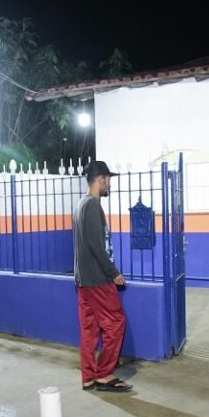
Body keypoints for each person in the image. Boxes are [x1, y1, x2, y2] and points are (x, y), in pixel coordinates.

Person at [73, 160, 132, 392]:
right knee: (116, 322)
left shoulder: (80, 205)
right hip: (97, 279)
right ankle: (104, 373)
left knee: (89, 329)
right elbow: (97, 246)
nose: (109, 184)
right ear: (100, 179)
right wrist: (113, 273)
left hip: (83, 280)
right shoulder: (93, 206)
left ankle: (88, 376)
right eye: (108, 180)